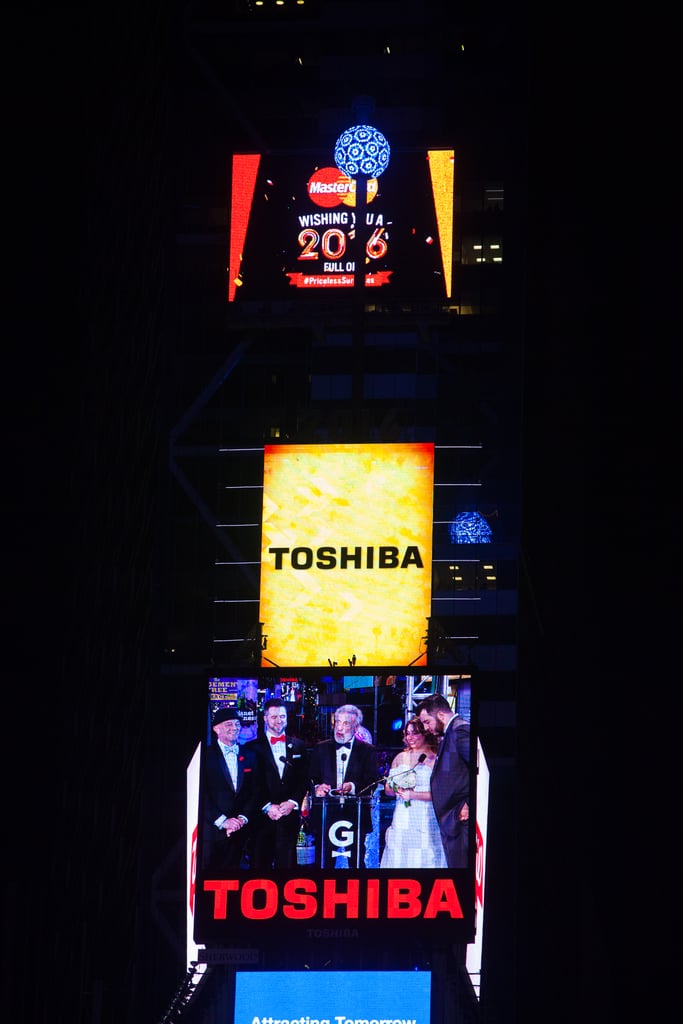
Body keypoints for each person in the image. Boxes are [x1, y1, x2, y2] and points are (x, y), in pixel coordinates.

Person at [309, 704, 379, 866]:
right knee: (324, 859)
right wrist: (317, 787)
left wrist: (352, 787)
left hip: (355, 813)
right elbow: (310, 777)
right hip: (326, 814)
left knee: (355, 859)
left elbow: (372, 781)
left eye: (346, 724)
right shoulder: (321, 749)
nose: (340, 728)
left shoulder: (367, 751)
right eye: (337, 722)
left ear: (356, 727)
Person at [245, 697, 310, 870]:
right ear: (265, 718)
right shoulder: (251, 747)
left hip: (289, 817)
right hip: (261, 818)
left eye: (282, 716)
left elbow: (304, 779)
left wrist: (292, 802)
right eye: (274, 717)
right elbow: (250, 784)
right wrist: (267, 806)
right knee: (259, 865)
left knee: (288, 867)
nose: (279, 721)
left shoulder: (299, 746)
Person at [379, 716, 446, 869]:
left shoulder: (435, 759)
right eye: (407, 733)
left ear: (425, 734)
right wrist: (396, 788)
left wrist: (413, 795)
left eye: (414, 733)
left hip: (425, 818)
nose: (410, 737)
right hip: (402, 817)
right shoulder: (400, 758)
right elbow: (387, 790)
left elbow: (440, 794)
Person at [201, 706, 260, 872]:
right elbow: (201, 794)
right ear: (216, 729)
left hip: (241, 832)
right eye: (229, 724)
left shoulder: (250, 755)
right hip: (212, 832)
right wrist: (223, 821)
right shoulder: (205, 755)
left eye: (237, 724)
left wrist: (241, 819)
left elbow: (256, 791)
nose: (234, 728)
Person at [416, 693, 471, 869]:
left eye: (427, 722)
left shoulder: (459, 730)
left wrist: (469, 803)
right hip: (452, 821)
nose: (426, 728)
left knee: (461, 874)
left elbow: (478, 769)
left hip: (460, 819)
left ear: (440, 715)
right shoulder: (450, 733)